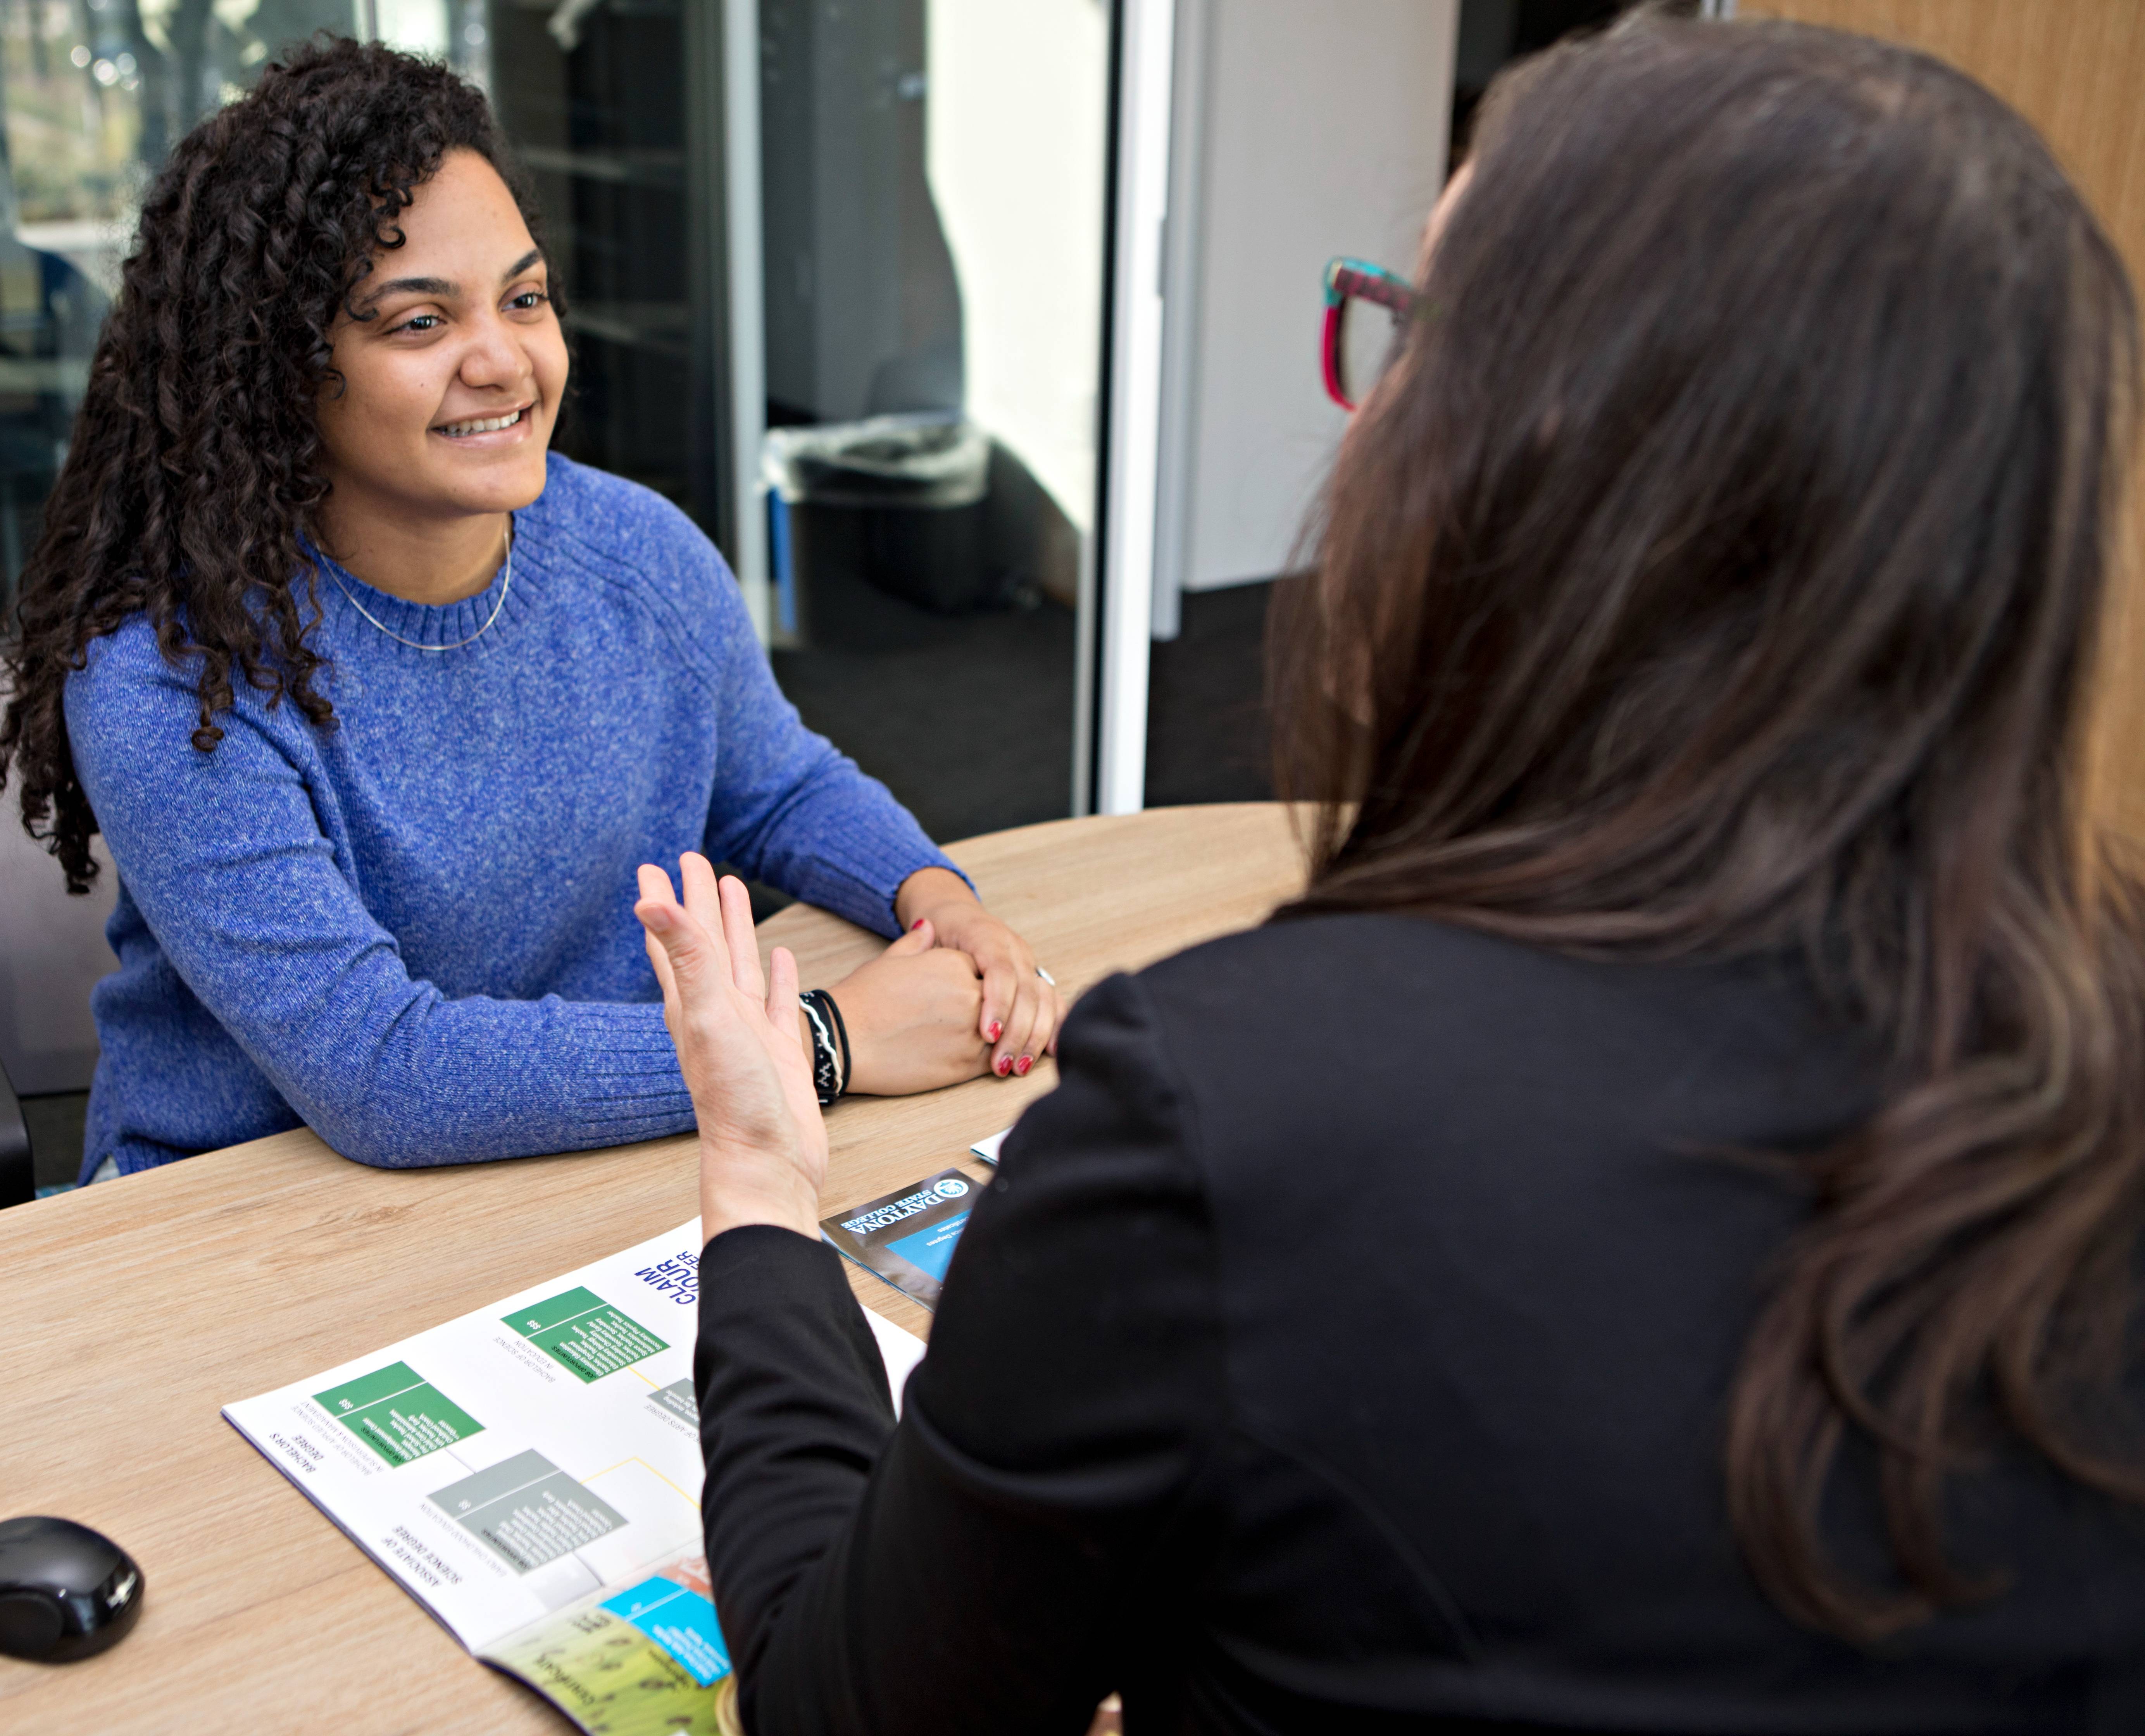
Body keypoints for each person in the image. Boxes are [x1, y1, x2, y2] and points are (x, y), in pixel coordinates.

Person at [647, 15, 2145, 1733]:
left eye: (1421, 335)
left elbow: (850, 1710)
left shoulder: (1230, 1120)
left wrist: (762, 1180)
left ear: (1555, 461)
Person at [0, 40, 1060, 1185]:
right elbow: (382, 1071)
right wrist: (818, 1041)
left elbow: (776, 785)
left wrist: (939, 901)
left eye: (525, 298)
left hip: (574, 1161)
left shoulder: (636, 550)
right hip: (239, 1213)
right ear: (280, 367)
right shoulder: (175, 672)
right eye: (418, 323)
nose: (503, 360)